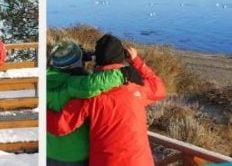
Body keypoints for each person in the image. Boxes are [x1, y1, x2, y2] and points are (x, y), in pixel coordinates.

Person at [48, 34, 166, 166]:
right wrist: (136, 60)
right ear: (122, 58)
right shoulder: (137, 88)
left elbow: (60, 126)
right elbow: (159, 89)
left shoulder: (91, 95)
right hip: (140, 161)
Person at [46, 39, 125, 166]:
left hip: (49, 151)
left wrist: (78, 57)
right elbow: (91, 85)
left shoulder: (46, 78)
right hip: (75, 154)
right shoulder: (74, 85)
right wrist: (123, 74)